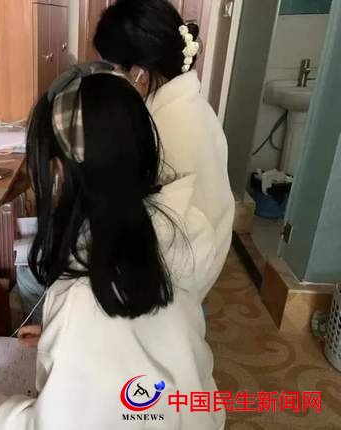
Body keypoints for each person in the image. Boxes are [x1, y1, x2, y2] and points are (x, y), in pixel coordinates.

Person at [0, 64, 224, 429]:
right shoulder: (174, 229)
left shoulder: (84, 296)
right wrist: (62, 339)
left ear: (57, 173)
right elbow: (140, 339)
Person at [94, 0, 235, 301]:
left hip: (183, 273)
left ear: (140, 74)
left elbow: (145, 225)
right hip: (205, 251)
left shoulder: (165, 127)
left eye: (112, 69)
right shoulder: (190, 102)